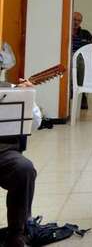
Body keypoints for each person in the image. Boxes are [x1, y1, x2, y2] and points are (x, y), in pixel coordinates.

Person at [0, 79, 40, 247]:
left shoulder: (9, 91)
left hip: (4, 152)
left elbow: (35, 124)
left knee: (24, 168)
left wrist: (29, 97)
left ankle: (17, 233)